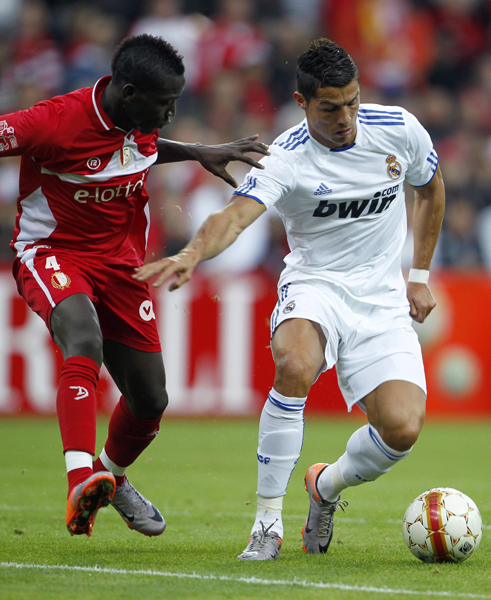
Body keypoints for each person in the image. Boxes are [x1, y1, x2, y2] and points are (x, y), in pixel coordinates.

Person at [135, 38, 445, 560]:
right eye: (331, 107)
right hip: (315, 286)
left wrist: (419, 275)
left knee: (402, 428)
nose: (346, 117)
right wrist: (191, 252)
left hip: (382, 299)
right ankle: (267, 525)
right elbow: (233, 216)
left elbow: (431, 188)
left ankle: (324, 486)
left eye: (352, 101)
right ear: (303, 103)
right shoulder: (288, 155)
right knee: (295, 363)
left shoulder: (398, 128)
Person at [4, 33, 269, 538]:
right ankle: (79, 479)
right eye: (165, 103)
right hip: (53, 253)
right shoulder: (54, 120)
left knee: (150, 400)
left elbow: (140, 148)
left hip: (123, 265)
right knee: (82, 340)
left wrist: (196, 151)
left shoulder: (135, 119)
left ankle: (109, 475)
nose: (171, 112)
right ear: (129, 95)